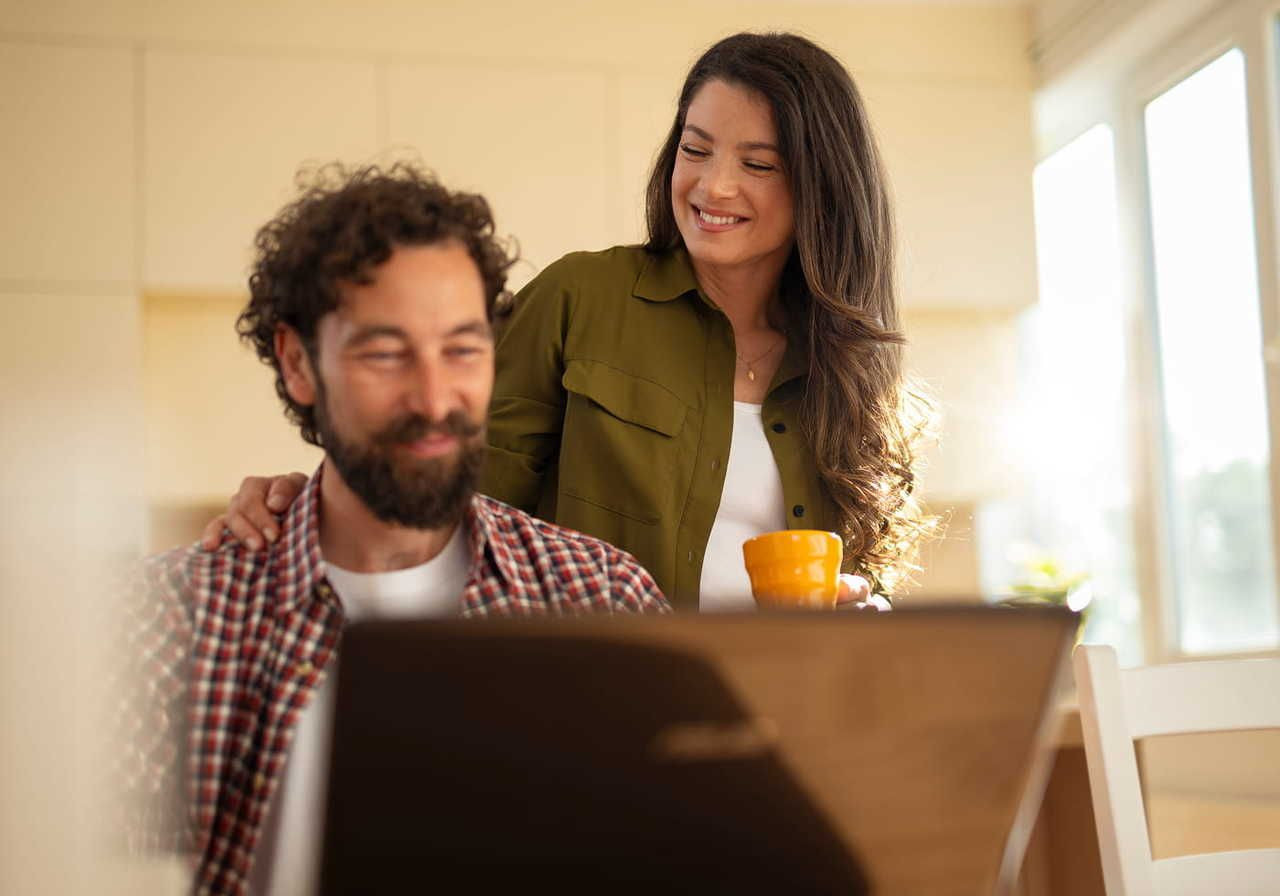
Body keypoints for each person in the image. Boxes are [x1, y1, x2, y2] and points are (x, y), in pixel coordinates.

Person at [203, 31, 933, 613]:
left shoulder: (846, 365)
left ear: (822, 185)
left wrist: (858, 616)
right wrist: (314, 504)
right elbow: (447, 497)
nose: (714, 185)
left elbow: (865, 578)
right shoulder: (582, 297)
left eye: (759, 164)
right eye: (695, 148)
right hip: (591, 707)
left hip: (765, 725)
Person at [117, 165, 669, 896]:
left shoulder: (604, 602)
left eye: (463, 349)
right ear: (297, 363)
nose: (435, 397)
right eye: (384, 353)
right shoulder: (160, 628)